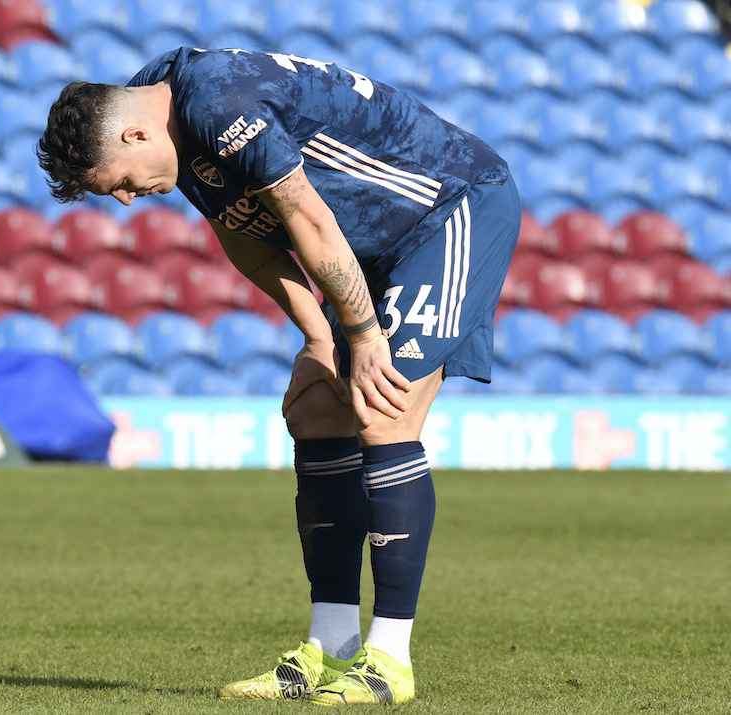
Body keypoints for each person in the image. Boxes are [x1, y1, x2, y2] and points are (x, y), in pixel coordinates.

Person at [37, 48, 520, 706]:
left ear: (135, 134)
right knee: (319, 409)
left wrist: (363, 336)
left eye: (117, 181)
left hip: (449, 209)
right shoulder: (165, 103)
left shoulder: (218, 104)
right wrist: (319, 335)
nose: (125, 198)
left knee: (382, 409)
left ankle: (391, 658)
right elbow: (243, 236)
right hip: (365, 246)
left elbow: (306, 218)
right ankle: (332, 645)